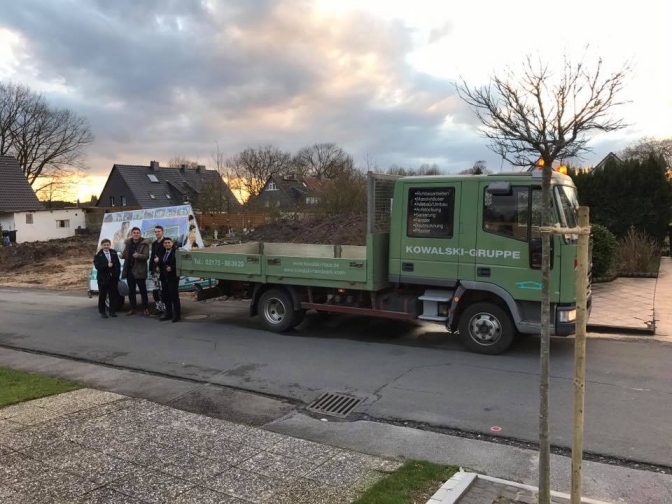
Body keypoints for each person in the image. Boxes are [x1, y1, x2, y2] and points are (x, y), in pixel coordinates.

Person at [121, 227, 150, 315]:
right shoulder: (128, 243)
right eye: (134, 233)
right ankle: (133, 308)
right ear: (131, 234)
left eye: (137, 233)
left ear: (140, 234)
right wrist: (122, 256)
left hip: (140, 271)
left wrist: (138, 256)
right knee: (131, 291)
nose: (136, 234)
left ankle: (145, 308)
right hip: (130, 271)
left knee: (143, 291)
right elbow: (125, 255)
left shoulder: (144, 243)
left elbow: (146, 256)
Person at [93, 238, 121, 318]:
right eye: (104, 245)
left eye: (107, 245)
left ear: (110, 245)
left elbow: (117, 264)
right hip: (103, 279)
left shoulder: (113, 253)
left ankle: (112, 311)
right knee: (103, 295)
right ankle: (102, 312)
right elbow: (98, 267)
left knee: (113, 295)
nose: (106, 246)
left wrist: (117, 274)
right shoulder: (98, 255)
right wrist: (106, 266)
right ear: (102, 246)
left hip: (113, 278)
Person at [159, 237, 181, 322]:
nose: (167, 244)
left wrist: (172, 268)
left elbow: (179, 264)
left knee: (174, 297)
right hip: (164, 278)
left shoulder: (175, 252)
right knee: (166, 296)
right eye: (165, 243)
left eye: (169, 242)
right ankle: (168, 313)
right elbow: (161, 263)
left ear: (172, 243)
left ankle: (177, 315)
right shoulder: (163, 252)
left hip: (173, 278)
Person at [148, 225, 167, 316]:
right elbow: (152, 257)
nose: (157, 233)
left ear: (162, 232)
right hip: (155, 271)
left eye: (158, 231)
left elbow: (169, 254)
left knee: (163, 291)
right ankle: (159, 308)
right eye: (155, 232)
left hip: (164, 271)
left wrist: (160, 260)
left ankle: (166, 309)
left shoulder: (166, 242)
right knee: (156, 290)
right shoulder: (154, 243)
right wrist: (151, 268)